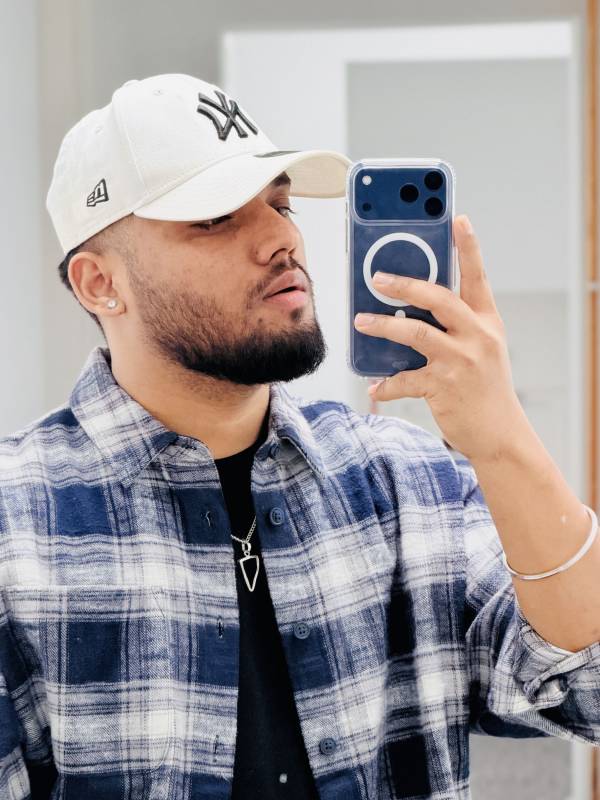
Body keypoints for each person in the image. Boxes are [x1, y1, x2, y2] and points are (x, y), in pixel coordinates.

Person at [1, 73, 599, 800]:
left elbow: (586, 690)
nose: (282, 237)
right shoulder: (17, 526)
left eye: (280, 204)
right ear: (100, 283)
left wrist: (503, 439)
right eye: (215, 218)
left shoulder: (404, 484)